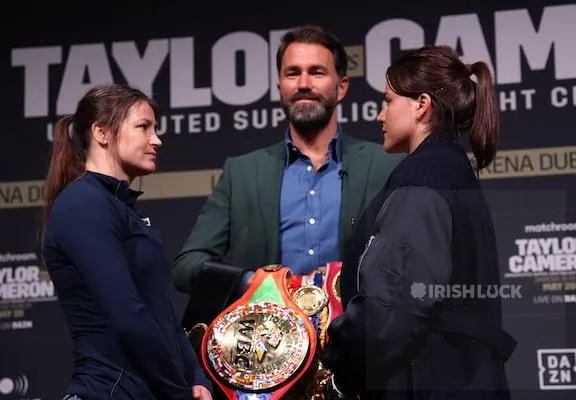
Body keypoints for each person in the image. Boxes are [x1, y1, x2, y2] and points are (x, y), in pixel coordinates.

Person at [321, 45, 517, 399]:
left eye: (388, 101)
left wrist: (338, 362)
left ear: (421, 104)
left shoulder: (424, 175)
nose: (380, 116)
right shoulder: (453, 170)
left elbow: (393, 305)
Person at [173, 25, 403, 325]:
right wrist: (249, 282)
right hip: (266, 351)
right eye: (292, 73)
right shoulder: (242, 173)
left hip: (360, 347)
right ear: (280, 86)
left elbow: (407, 265)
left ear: (342, 86)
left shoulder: (385, 164)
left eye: (317, 72)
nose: (303, 83)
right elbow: (186, 266)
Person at [40, 83, 213, 400]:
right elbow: (128, 315)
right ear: (102, 133)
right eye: (144, 127)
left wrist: (196, 377)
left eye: (155, 129)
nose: (156, 140)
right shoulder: (83, 204)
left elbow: (163, 314)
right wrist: (178, 391)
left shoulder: (123, 208)